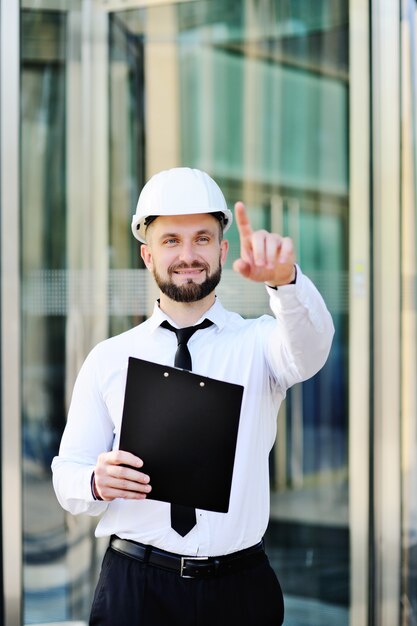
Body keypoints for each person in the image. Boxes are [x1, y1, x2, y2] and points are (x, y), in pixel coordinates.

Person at [52, 167, 334, 626]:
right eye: (171, 241)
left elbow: (314, 347)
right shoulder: (110, 358)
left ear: (222, 250)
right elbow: (67, 475)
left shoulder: (262, 344)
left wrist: (287, 281)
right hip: (136, 588)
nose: (189, 255)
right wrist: (95, 482)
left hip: (239, 590)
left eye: (202, 239)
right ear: (147, 256)